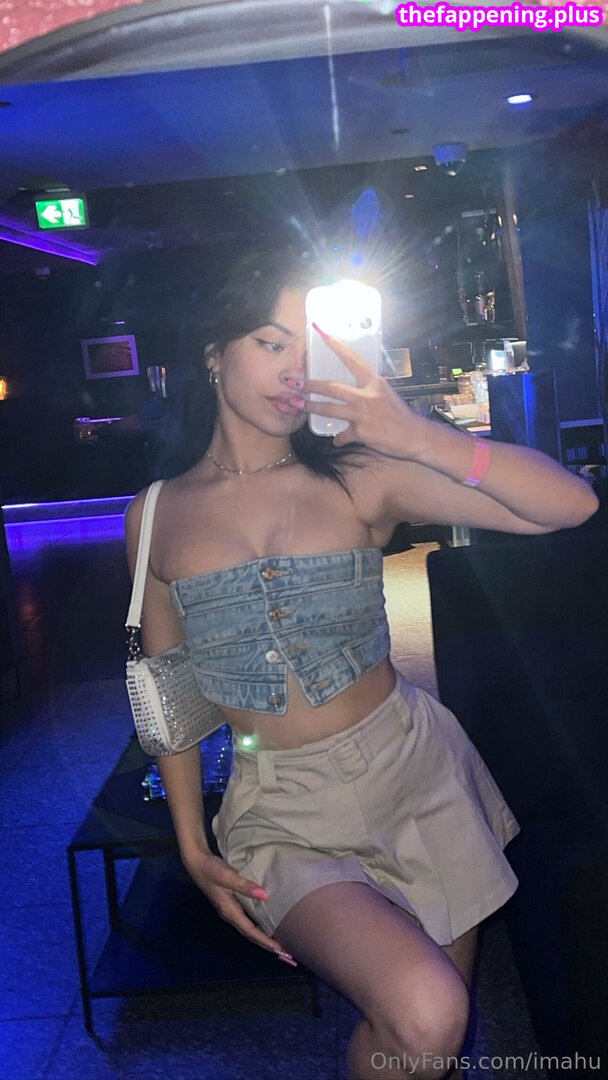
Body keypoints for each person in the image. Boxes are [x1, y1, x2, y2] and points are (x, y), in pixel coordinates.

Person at [124, 248, 598, 1080]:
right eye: (271, 342)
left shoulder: (360, 477)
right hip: (280, 808)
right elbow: (168, 688)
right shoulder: (157, 514)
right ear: (214, 353)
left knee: (423, 1051)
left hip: (414, 770)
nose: (294, 372)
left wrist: (417, 435)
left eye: (306, 349)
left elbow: (570, 505)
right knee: (428, 1013)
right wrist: (192, 845)